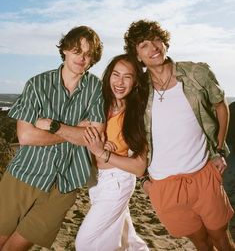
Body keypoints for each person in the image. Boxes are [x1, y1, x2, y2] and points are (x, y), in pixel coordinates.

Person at [124, 19, 235, 251]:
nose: (153, 47)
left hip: (203, 174)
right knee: (200, 243)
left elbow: (220, 106)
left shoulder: (197, 73)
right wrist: (144, 179)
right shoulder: (139, 90)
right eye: (144, 44)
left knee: (221, 239)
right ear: (137, 55)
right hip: (164, 185)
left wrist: (219, 149)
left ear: (165, 43)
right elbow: (133, 134)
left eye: (156, 40)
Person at [0, 25, 105, 250]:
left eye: (88, 54)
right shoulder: (37, 84)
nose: (82, 58)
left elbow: (94, 136)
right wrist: (75, 131)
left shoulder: (96, 88)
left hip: (65, 184)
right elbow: (26, 136)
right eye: (77, 50)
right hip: (24, 176)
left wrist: (53, 126)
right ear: (65, 50)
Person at [75, 54, 150, 251]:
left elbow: (140, 167)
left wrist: (104, 153)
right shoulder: (99, 104)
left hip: (117, 182)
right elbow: (79, 128)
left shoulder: (137, 115)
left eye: (127, 77)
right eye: (116, 74)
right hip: (95, 180)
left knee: (85, 243)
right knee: (128, 240)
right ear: (108, 76)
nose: (120, 82)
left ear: (135, 83)